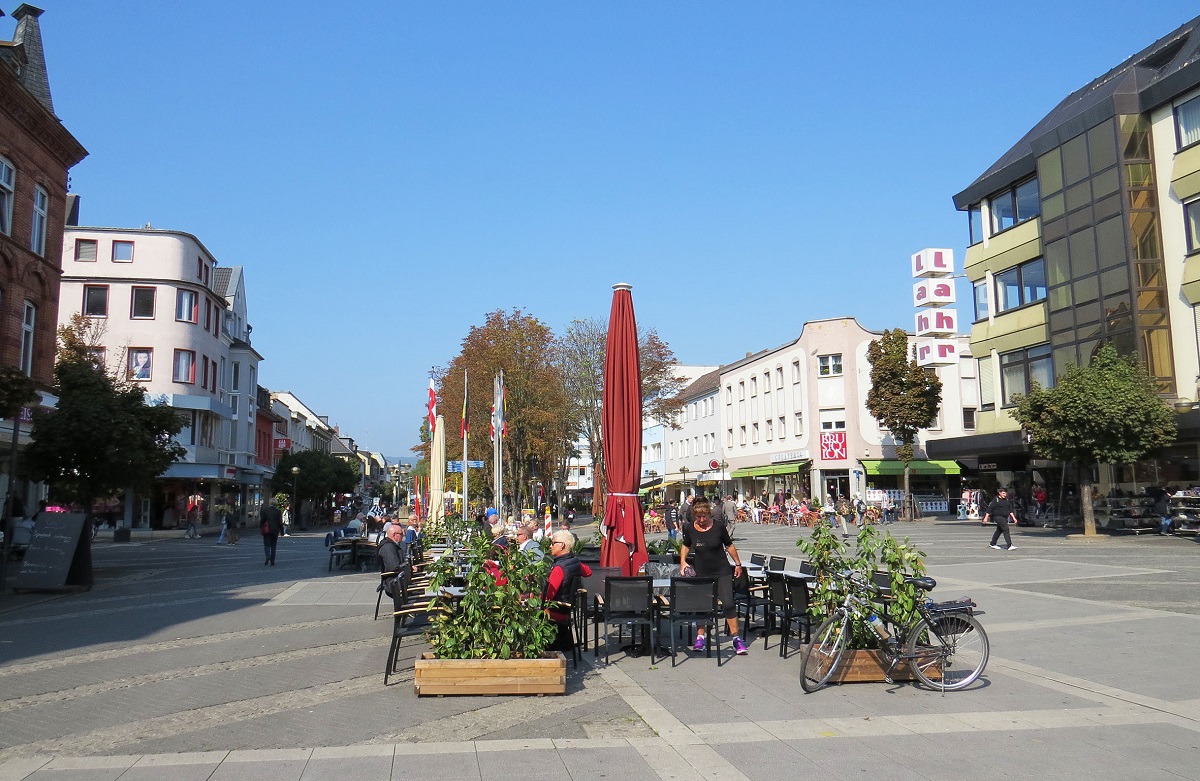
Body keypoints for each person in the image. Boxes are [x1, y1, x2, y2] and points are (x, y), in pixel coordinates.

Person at [679, 497, 748, 655]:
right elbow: (686, 545)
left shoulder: (718, 527)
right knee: (702, 605)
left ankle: (736, 639)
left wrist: (737, 564)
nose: (702, 520)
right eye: (698, 517)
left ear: (709, 514)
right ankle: (700, 638)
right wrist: (683, 561)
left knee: (728, 604)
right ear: (694, 515)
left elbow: (729, 545)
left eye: (704, 517)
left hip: (721, 571)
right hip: (702, 572)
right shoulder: (689, 528)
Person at [542, 530, 591, 657]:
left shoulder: (559, 568)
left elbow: (548, 595)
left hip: (556, 610)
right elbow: (588, 572)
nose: (550, 546)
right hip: (566, 610)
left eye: (553, 543)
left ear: (562, 545)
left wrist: (532, 598)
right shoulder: (574, 562)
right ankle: (565, 642)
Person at [260, 500, 284, 565]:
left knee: (266, 544)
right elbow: (280, 522)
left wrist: (261, 527)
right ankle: (272, 561)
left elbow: (262, 520)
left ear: (270, 503)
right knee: (273, 546)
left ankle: (268, 556)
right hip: (275, 531)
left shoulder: (265, 511)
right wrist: (282, 531)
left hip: (267, 530)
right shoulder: (278, 512)